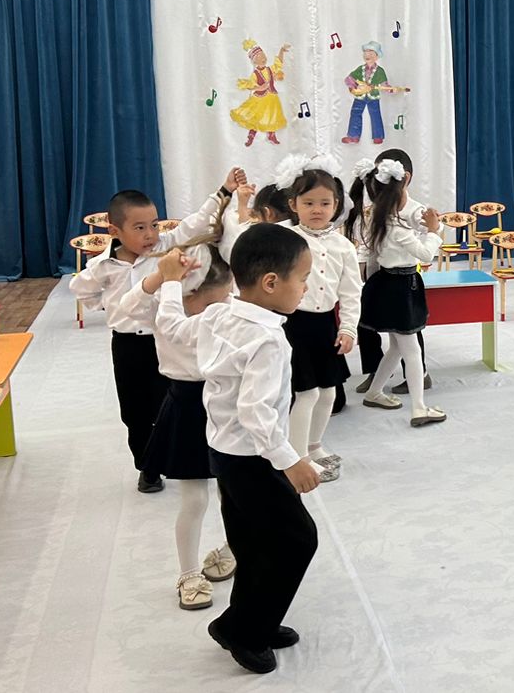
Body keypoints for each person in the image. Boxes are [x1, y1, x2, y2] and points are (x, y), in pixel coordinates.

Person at [192, 222, 318, 675]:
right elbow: (256, 411)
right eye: (302, 278)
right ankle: (242, 630)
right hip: (253, 457)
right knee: (297, 540)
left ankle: (255, 619)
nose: (306, 288)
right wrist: (291, 461)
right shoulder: (268, 339)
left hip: (225, 452)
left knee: (252, 541)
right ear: (270, 283)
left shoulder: (220, 314)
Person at [69, 171, 243, 492]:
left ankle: (175, 458)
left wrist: (224, 190)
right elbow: (80, 290)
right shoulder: (103, 266)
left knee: (168, 405)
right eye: (139, 228)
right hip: (127, 346)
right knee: (134, 411)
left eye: (154, 225)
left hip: (164, 341)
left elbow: (196, 222)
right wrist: (107, 305)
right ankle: (147, 468)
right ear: (114, 231)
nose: (150, 234)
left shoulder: (164, 247)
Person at [136, 247, 236, 610]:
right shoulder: (165, 305)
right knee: (194, 499)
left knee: (233, 492)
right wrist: (164, 279)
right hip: (186, 406)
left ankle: (232, 548)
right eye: (208, 304)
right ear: (186, 294)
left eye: (223, 300)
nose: (216, 311)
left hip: (225, 403)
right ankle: (189, 573)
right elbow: (125, 308)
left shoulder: (226, 309)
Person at [276, 155, 360, 481]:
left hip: (326, 326)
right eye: (308, 202)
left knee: (328, 392)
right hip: (292, 325)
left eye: (325, 203)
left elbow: (351, 292)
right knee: (306, 393)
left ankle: (313, 446)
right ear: (293, 204)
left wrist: (348, 328)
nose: (317, 209)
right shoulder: (284, 238)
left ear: (336, 205)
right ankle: (297, 457)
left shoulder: (344, 246)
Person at [345, 157, 445, 427]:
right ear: (399, 190)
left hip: (388, 285)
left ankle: (375, 392)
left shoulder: (379, 220)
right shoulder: (397, 228)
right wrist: (433, 231)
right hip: (400, 288)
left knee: (397, 348)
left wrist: (430, 226)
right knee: (411, 350)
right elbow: (425, 254)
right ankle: (419, 408)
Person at [340, 41, 410, 145]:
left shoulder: (380, 71)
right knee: (355, 113)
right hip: (360, 96)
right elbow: (349, 79)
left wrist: (392, 89)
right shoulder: (360, 69)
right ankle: (353, 136)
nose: (367, 55)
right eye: (366, 53)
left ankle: (378, 136)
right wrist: (354, 88)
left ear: (377, 56)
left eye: (371, 53)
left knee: (375, 115)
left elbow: (384, 85)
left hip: (373, 97)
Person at [230, 40, 291, 148]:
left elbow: (278, 64)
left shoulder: (269, 69)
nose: (263, 58)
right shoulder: (255, 74)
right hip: (260, 98)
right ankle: (251, 135)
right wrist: (259, 87)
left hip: (272, 97)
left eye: (263, 55)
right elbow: (250, 85)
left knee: (272, 116)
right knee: (255, 117)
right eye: (259, 57)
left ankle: (271, 135)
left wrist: (282, 51)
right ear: (254, 61)